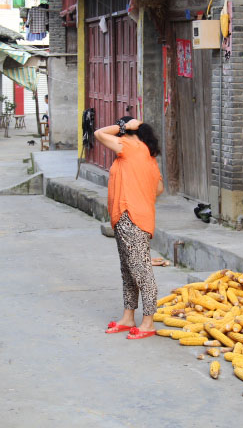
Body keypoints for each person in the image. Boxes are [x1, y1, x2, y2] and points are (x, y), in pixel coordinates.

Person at [94, 116, 163, 340]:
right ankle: (128, 317)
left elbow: (99, 133)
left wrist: (125, 126)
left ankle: (148, 322)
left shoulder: (130, 146)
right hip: (130, 217)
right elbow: (159, 188)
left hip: (131, 217)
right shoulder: (147, 155)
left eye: (121, 131)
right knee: (129, 270)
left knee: (141, 271)